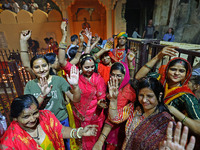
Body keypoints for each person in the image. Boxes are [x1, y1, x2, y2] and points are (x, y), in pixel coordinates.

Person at [135, 46, 200, 135]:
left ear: (186, 74)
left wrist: (173, 111)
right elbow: (139, 77)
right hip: (146, 123)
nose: (176, 73)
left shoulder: (187, 96)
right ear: (167, 70)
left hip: (165, 133)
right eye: (173, 69)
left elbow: (198, 128)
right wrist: (158, 56)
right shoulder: (159, 79)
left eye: (181, 71)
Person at [0, 94, 98, 149]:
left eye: (35, 113)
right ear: (15, 118)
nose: (33, 119)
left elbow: (60, 131)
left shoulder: (45, 116)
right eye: (26, 117)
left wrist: (80, 132)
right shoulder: (9, 142)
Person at [108, 77, 175, 149]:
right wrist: (113, 100)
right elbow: (115, 118)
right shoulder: (135, 109)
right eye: (141, 95)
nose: (144, 100)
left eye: (149, 96)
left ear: (159, 96)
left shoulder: (164, 120)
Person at [94, 62, 136, 149]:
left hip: (117, 130)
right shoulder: (110, 85)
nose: (115, 78)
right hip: (108, 127)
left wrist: (100, 140)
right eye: (112, 75)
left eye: (118, 75)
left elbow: (113, 119)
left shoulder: (127, 92)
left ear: (125, 75)